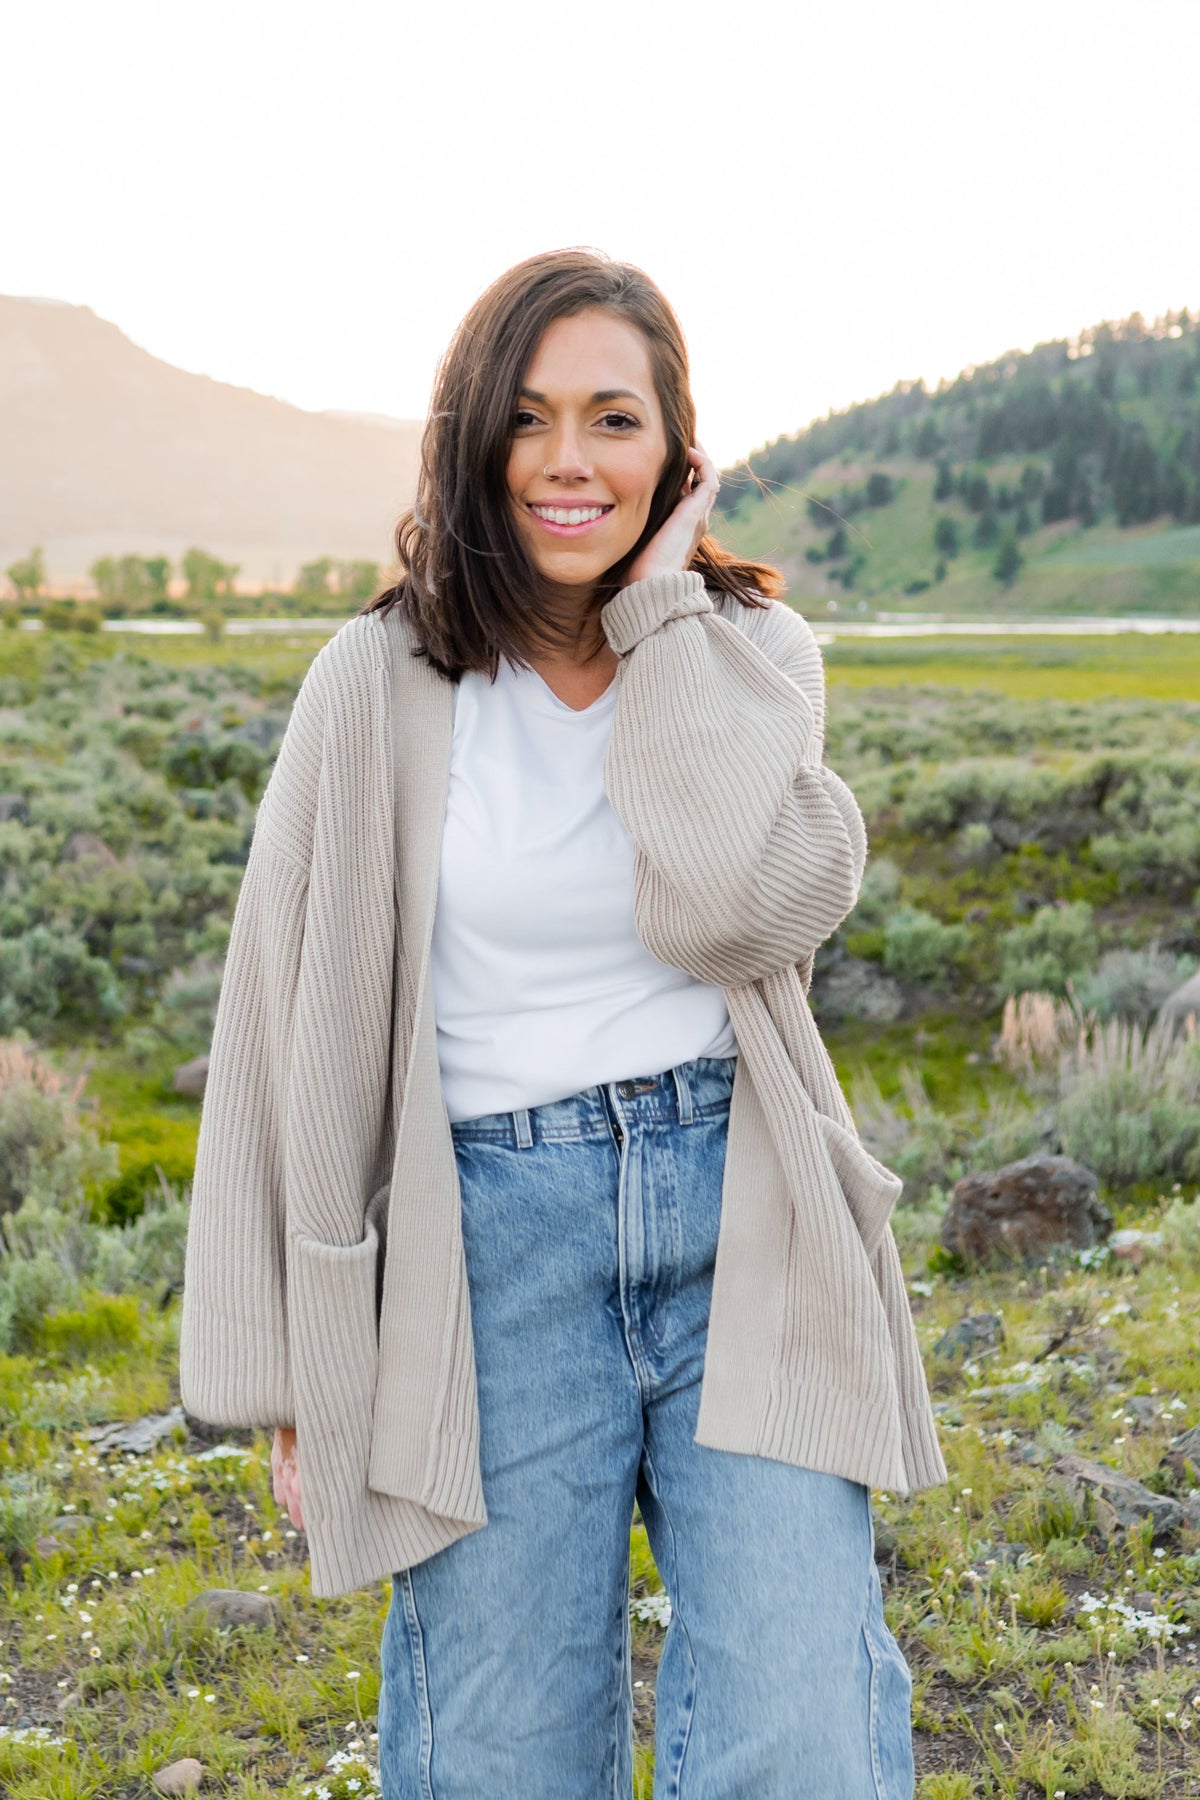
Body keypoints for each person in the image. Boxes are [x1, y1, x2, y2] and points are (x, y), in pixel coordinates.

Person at [179, 247, 947, 1797]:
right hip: (488, 1258)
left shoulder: (753, 657)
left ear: (676, 449)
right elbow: (287, 1022)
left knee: (803, 1735)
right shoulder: (376, 682)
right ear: (474, 438)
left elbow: (732, 909)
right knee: (507, 1756)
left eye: (614, 418)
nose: (569, 462)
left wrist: (664, 610)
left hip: (745, 1216)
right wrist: (291, 1371)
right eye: (529, 420)